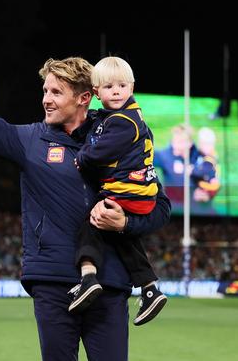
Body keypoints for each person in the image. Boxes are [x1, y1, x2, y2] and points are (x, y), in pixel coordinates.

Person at [0, 12, 171, 360]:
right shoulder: (29, 141)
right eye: (45, 91)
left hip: (109, 284)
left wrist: (126, 223)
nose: (46, 99)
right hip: (53, 282)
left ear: (84, 98)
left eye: (56, 92)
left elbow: (161, 207)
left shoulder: (120, 134)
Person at [69, 56, 167, 326]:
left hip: (128, 190)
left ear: (132, 87)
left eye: (122, 86)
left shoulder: (125, 120)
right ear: (97, 92)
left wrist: (83, 156)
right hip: (139, 193)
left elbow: (103, 150)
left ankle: (88, 277)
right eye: (109, 86)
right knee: (121, 235)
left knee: (92, 222)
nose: (116, 91)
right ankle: (149, 288)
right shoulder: (119, 117)